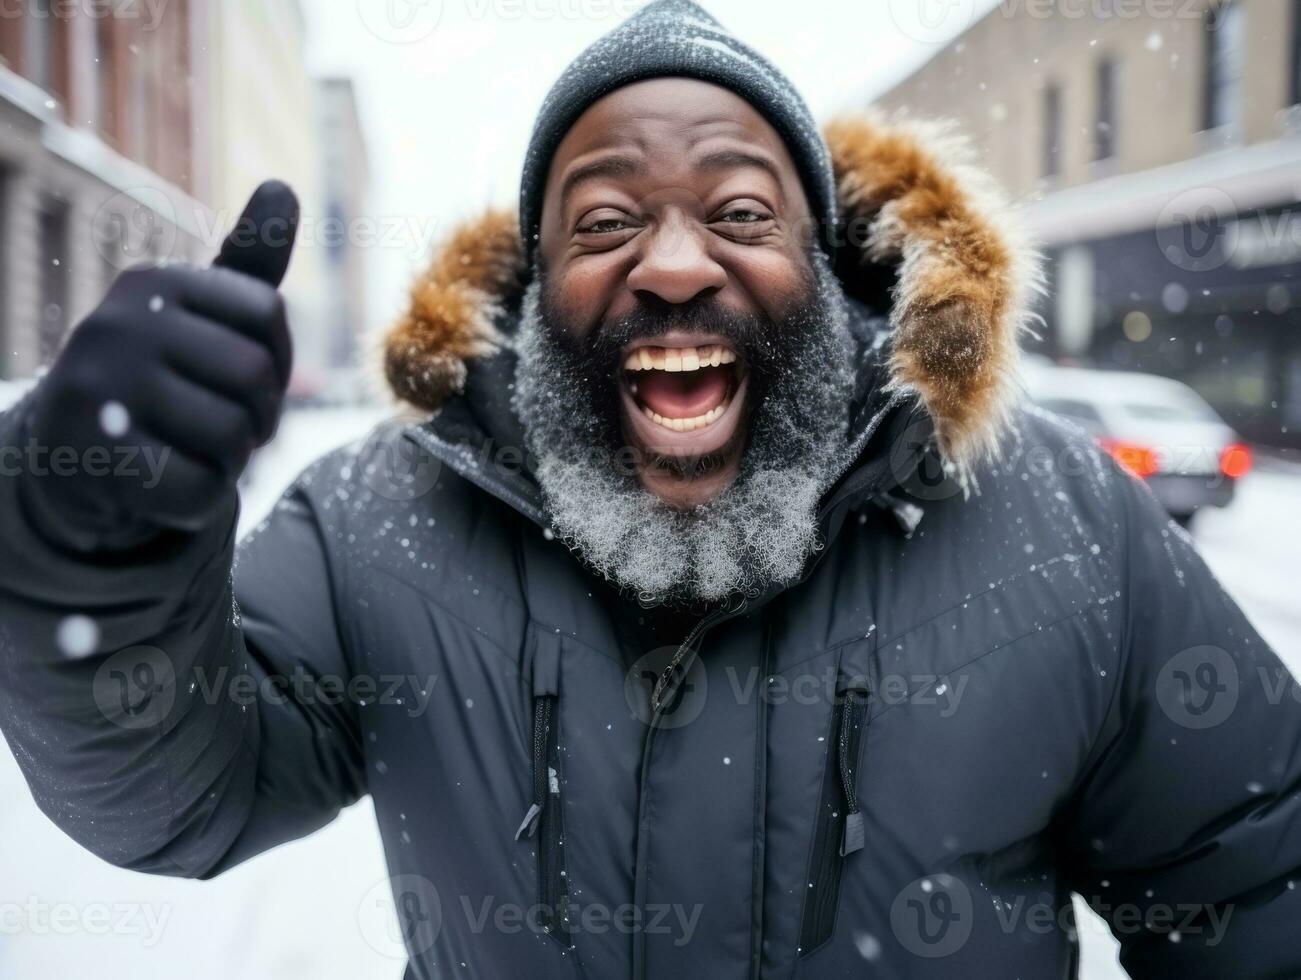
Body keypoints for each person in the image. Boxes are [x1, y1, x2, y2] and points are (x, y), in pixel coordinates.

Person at [2, 2, 1299, 976]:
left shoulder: (1058, 524)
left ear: (826, 265)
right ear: (529, 288)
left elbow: (1255, 882)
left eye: (739, 214)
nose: (672, 264)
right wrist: (92, 551)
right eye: (604, 221)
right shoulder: (373, 523)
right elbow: (180, 797)